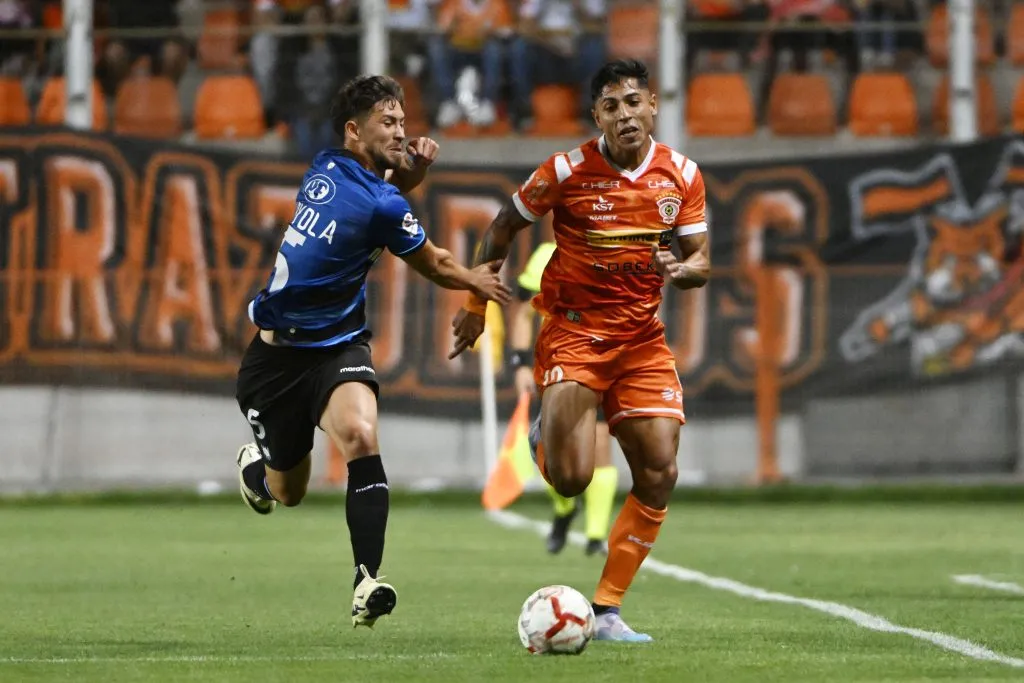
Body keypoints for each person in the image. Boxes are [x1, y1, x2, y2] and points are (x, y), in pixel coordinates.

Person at [234, 75, 512, 630]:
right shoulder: (338, 173)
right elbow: (432, 260)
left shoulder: (343, 173)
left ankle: (367, 581)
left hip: (338, 346)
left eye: (403, 122)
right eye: (388, 122)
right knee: (288, 491)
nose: (401, 132)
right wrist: (474, 281)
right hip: (274, 361)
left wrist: (415, 172)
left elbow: (386, 201)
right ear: (354, 131)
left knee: (361, 436)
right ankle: (257, 473)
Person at [450, 59, 709, 642]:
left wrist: (682, 269)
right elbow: (501, 227)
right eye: (611, 106)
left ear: (653, 106)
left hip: (641, 341)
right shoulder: (564, 172)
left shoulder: (683, 175)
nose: (625, 115)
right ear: (597, 116)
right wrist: (475, 304)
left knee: (660, 470)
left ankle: (609, 609)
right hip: (575, 333)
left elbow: (701, 261)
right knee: (570, 481)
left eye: (634, 102)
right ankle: (546, 432)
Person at [511, 241, 618, 557]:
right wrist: (520, 363)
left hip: (600, 364)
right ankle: (565, 508)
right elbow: (523, 313)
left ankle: (596, 535)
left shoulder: (616, 253)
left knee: (600, 445)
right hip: (556, 367)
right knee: (551, 451)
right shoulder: (547, 254)